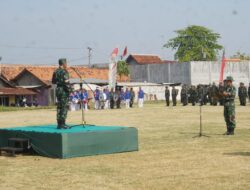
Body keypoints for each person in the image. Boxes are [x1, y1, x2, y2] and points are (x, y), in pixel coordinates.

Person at [52, 58, 71, 129]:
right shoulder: (64, 71)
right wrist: (70, 90)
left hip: (58, 90)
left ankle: (59, 124)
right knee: (64, 107)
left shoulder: (55, 71)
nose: (67, 65)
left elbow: (53, 82)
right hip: (63, 90)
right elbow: (66, 83)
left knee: (59, 106)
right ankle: (63, 124)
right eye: (66, 63)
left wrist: (59, 82)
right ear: (64, 64)